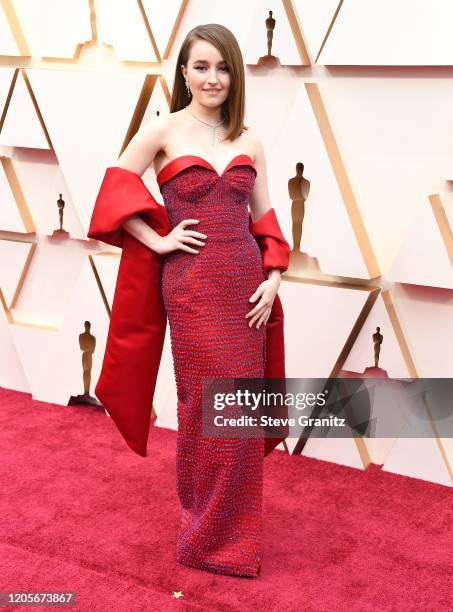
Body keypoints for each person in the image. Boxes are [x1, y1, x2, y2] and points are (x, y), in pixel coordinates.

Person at [87, 23, 290, 578]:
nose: (213, 78)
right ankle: (203, 536)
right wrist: (157, 238)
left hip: (248, 289)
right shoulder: (163, 130)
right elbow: (113, 187)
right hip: (193, 286)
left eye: (223, 68)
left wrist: (275, 277)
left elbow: (266, 217)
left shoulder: (249, 140)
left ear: (235, 75)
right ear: (183, 72)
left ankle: (237, 541)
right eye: (201, 67)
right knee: (203, 409)